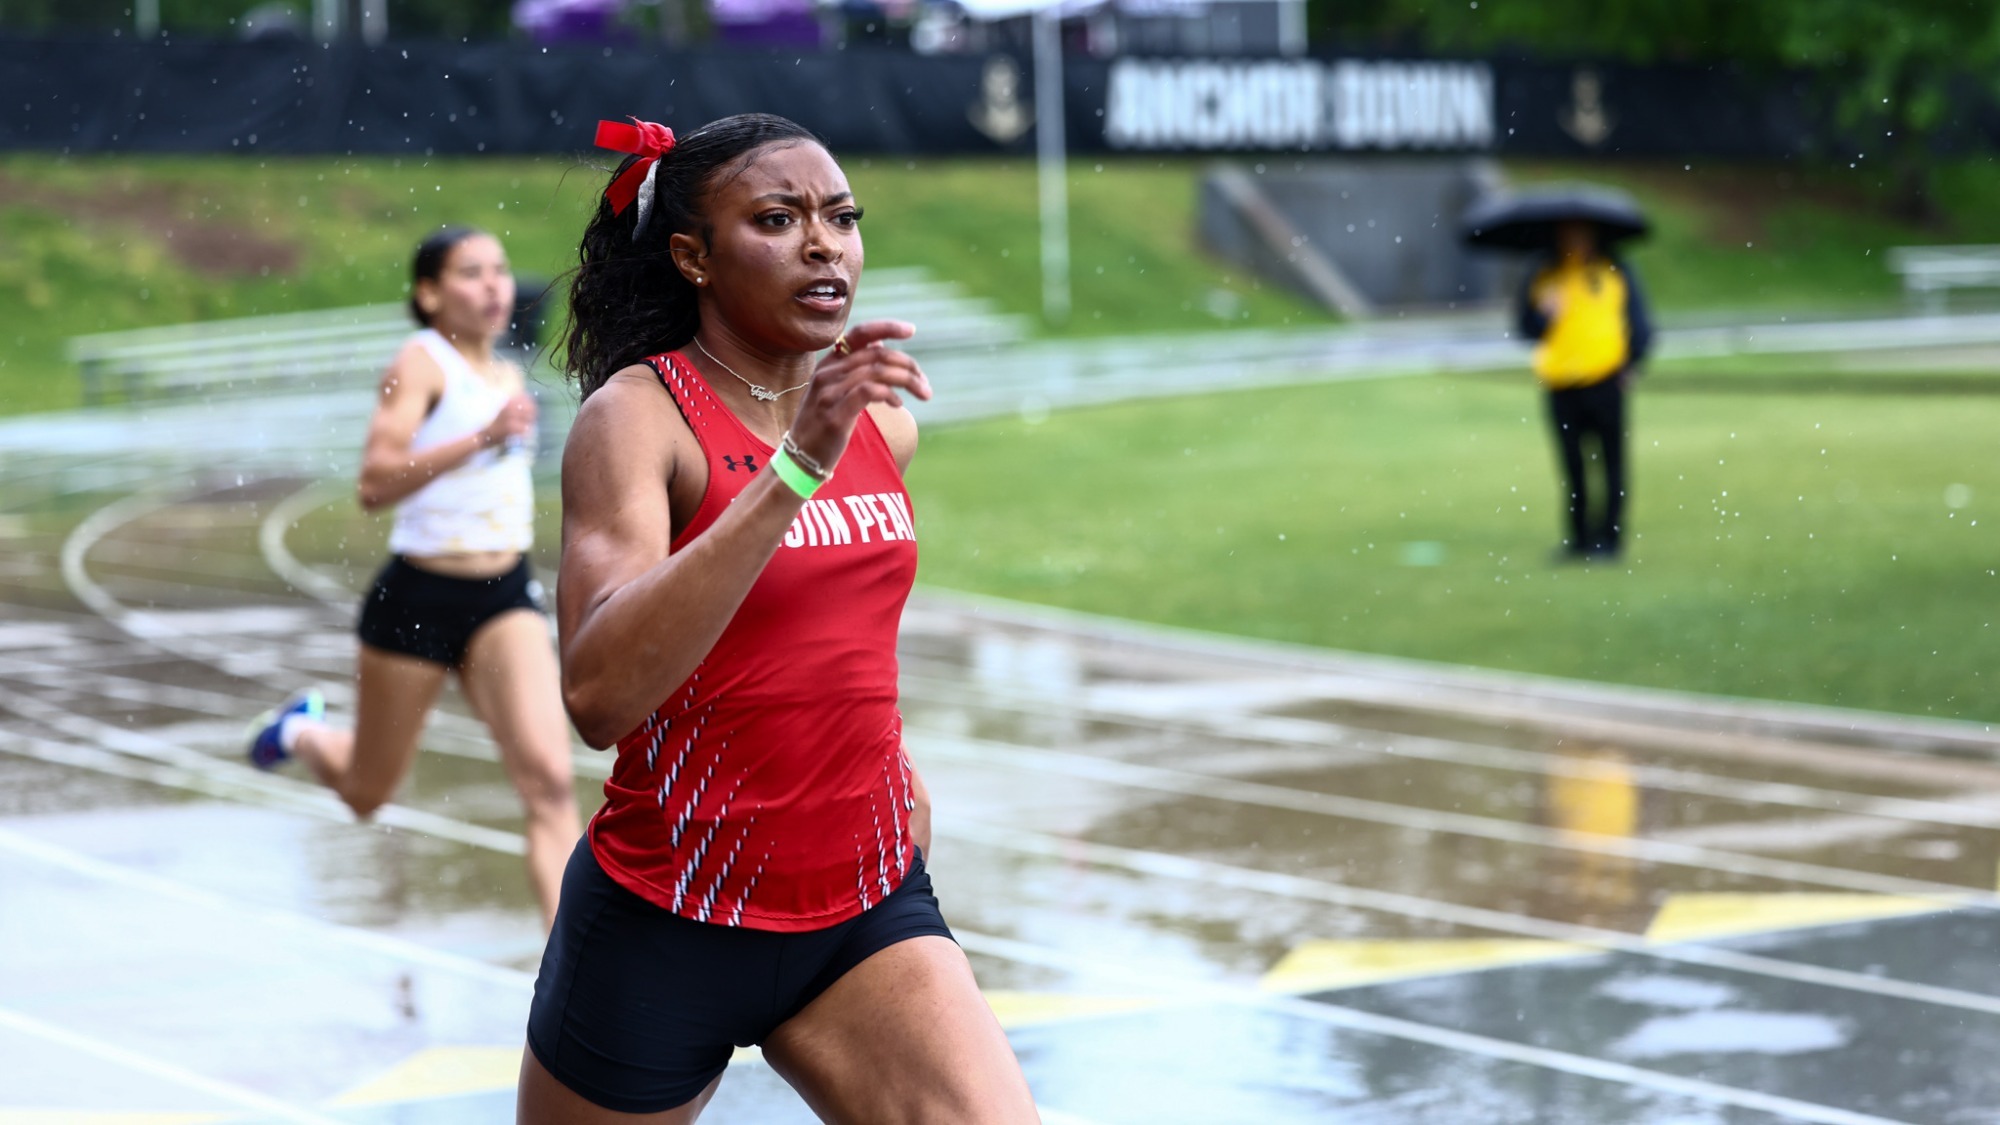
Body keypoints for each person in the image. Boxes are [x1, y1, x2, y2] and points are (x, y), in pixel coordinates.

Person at [517, 113, 1036, 1123]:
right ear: (691, 258)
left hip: (863, 908)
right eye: (776, 217)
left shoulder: (882, 420)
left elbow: (832, 636)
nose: (822, 243)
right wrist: (795, 463)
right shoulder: (634, 419)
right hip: (667, 921)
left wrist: (894, 770)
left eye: (840, 218)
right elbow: (598, 693)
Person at [246, 227, 579, 929]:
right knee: (369, 793)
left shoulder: (510, 376)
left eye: (498, 270)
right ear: (430, 294)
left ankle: (572, 984)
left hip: (503, 595)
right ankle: (303, 733)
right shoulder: (421, 363)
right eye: (470, 272)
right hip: (419, 597)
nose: (493, 285)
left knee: (550, 784)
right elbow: (374, 482)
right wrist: (481, 439)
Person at [1515, 220, 1653, 560]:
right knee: (1572, 466)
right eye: (1566, 233)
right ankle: (1579, 538)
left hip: (1605, 380)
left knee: (1611, 463)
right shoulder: (1544, 275)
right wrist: (1545, 313)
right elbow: (1524, 328)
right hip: (1561, 384)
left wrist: (1633, 362)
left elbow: (1640, 323)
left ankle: (1610, 538)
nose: (1573, 240)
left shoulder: (1613, 270)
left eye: (1580, 233)